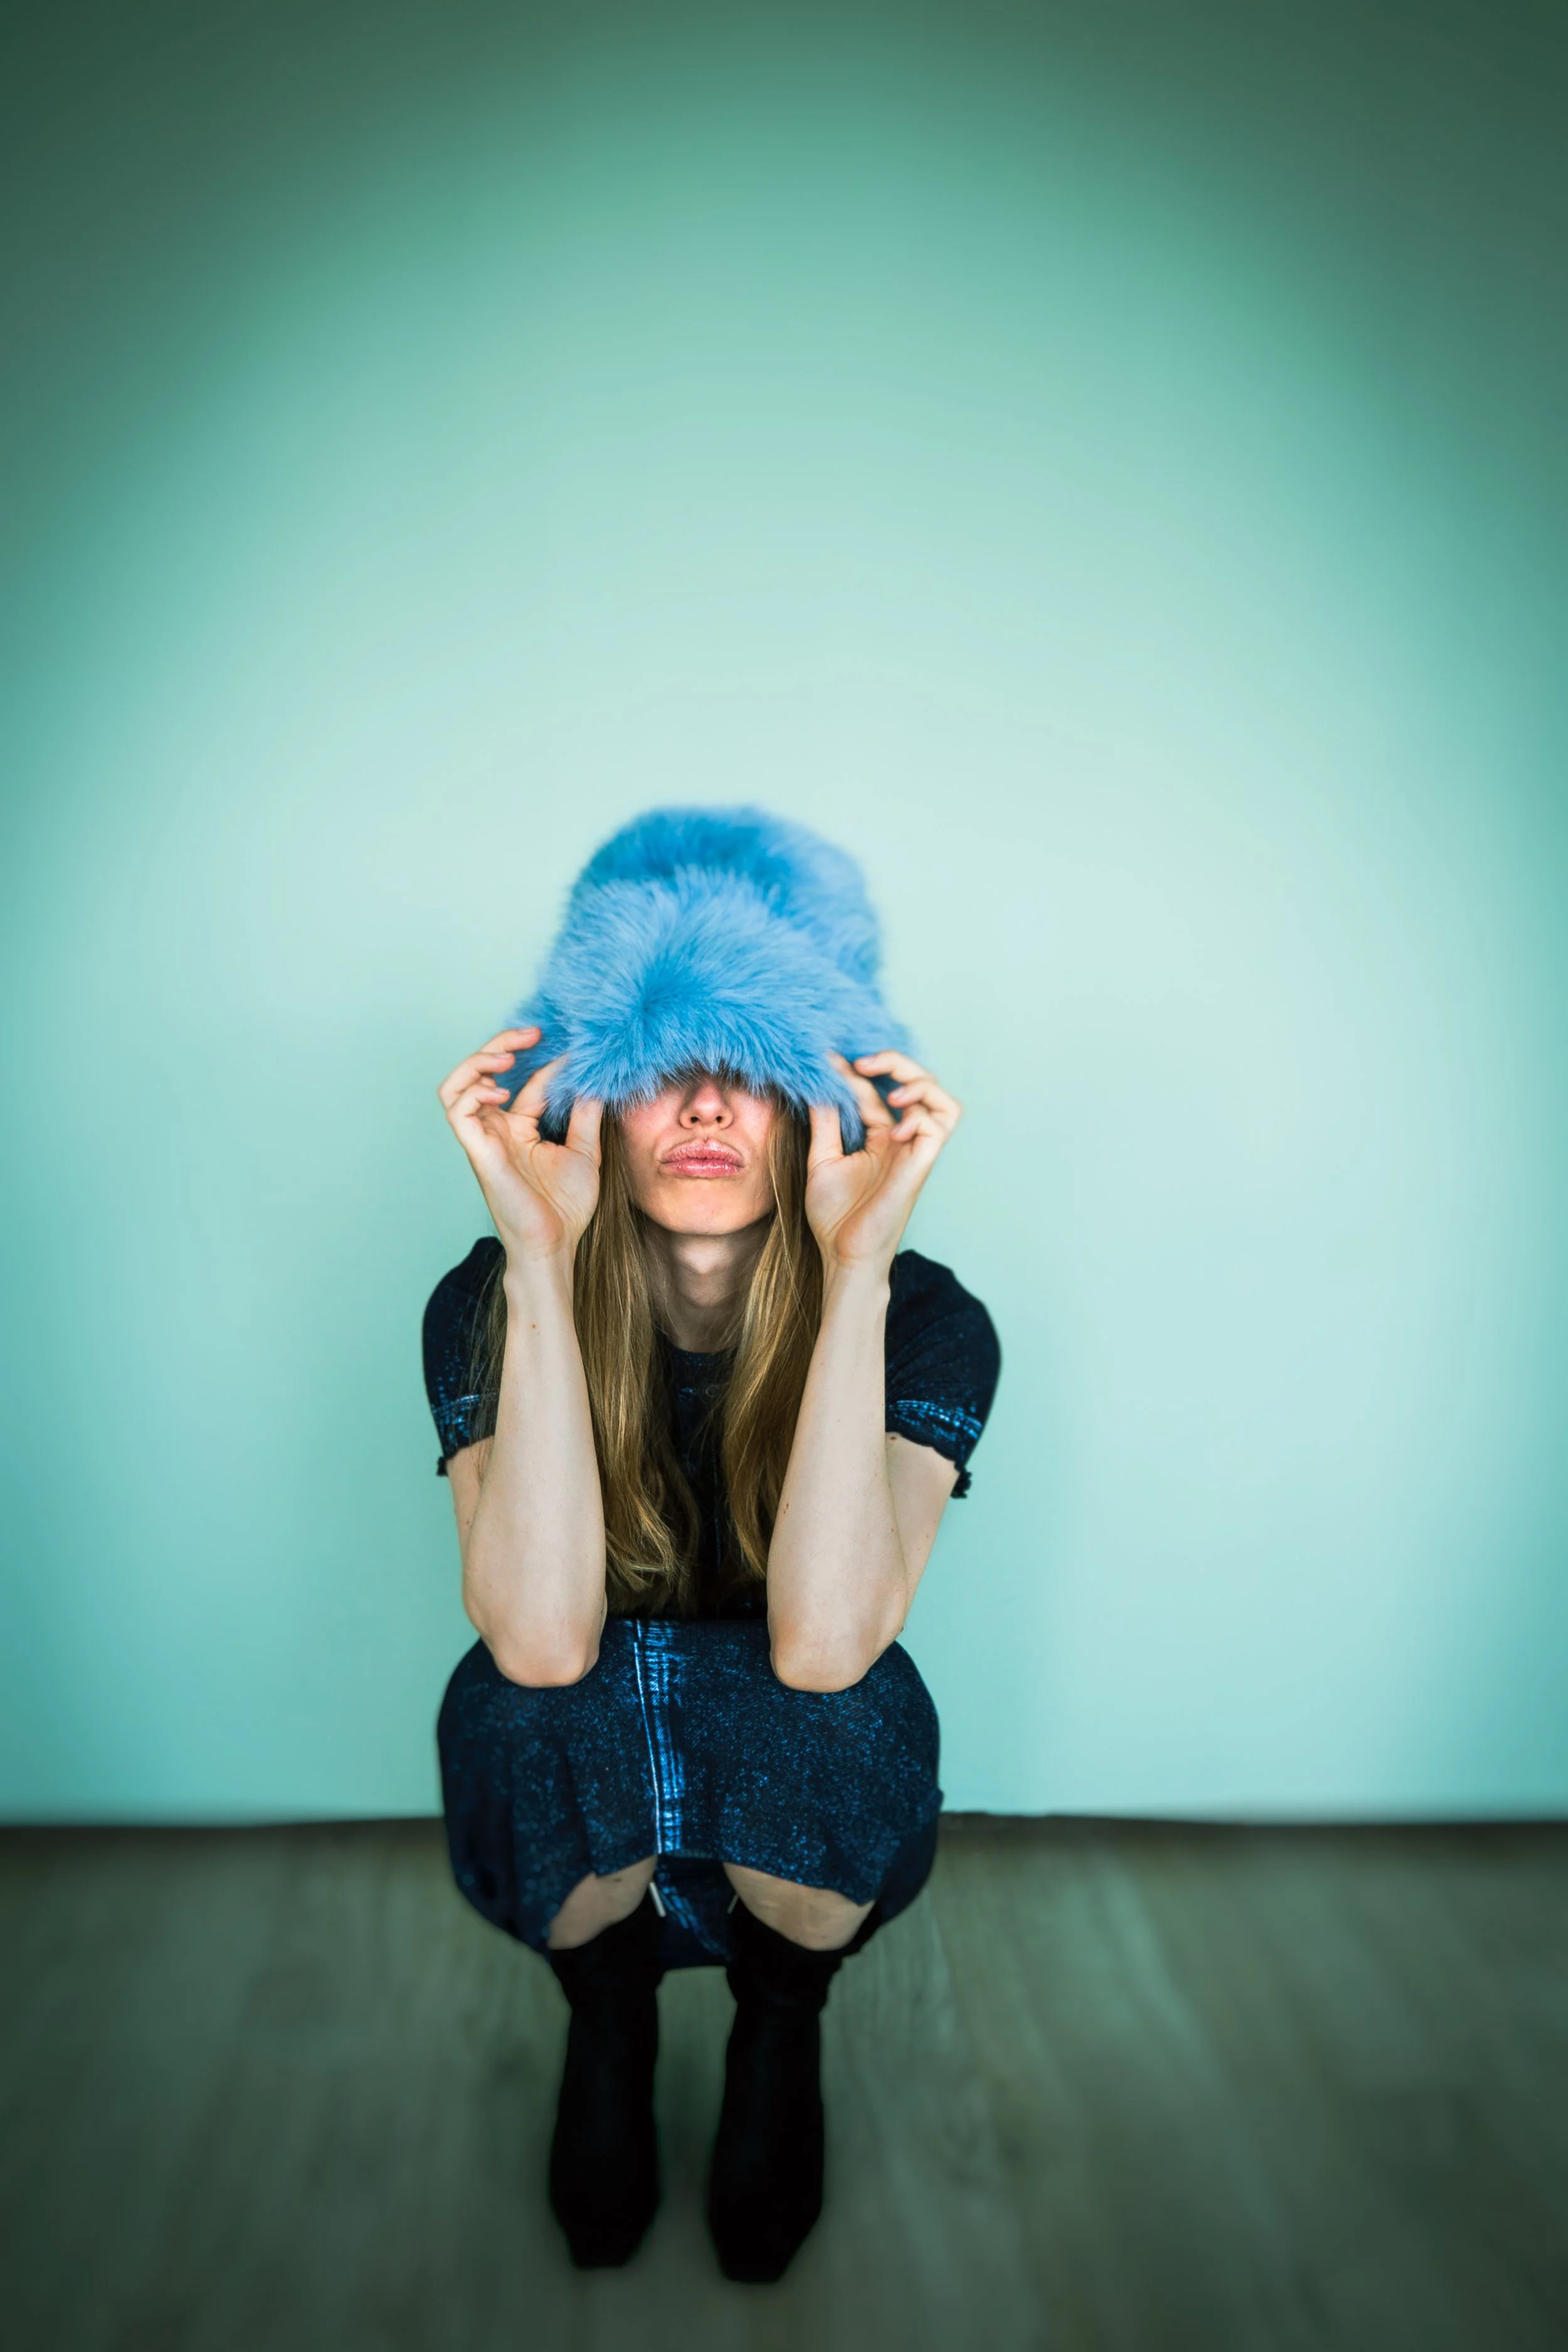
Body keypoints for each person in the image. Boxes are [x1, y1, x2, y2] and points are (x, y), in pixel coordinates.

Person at [423, 807, 1000, 2282]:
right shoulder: (487, 1295)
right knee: (509, 1706)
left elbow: (822, 1643)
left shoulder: (927, 1316)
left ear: (825, 1101)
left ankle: (778, 2027)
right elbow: (541, 1643)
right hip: (587, 1763)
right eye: (651, 1064)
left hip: (798, 1780)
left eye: (755, 1068)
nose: (704, 1108)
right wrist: (540, 1263)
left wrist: (858, 1264)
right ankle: (604, 2023)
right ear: (580, 1093)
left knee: (850, 1705)